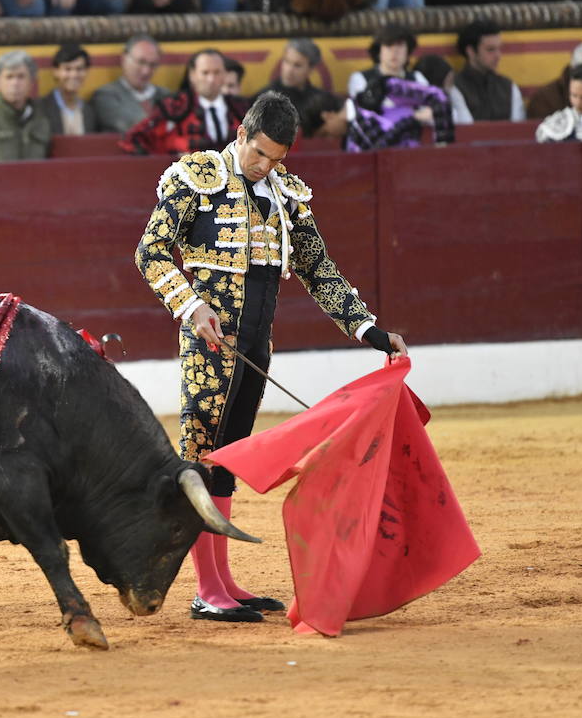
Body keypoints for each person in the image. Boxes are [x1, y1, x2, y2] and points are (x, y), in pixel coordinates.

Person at [136, 92, 407, 623]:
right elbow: (149, 250)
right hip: (209, 343)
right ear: (241, 133)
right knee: (202, 456)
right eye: (260, 154)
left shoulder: (285, 194)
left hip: (255, 348)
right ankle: (206, 588)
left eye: (277, 159)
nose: (266, 166)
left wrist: (368, 328)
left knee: (230, 458)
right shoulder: (195, 178)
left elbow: (317, 267)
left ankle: (224, 582)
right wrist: (191, 307)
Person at [344, 23, 453, 150]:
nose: (394, 52)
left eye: (400, 46)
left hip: (414, 146)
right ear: (379, 50)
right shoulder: (361, 79)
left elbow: (435, 111)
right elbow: (366, 118)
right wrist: (414, 116)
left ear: (408, 51)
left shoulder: (417, 78)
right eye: (389, 46)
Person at [124, 48, 246, 155]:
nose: (211, 79)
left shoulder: (241, 108)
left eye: (217, 72)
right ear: (192, 75)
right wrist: (170, 156)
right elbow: (136, 138)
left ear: (225, 74)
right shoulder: (174, 107)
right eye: (205, 73)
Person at [261, 37, 346, 140]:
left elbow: (348, 108)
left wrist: (340, 119)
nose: (289, 70)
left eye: (297, 65)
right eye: (286, 61)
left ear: (310, 69)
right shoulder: (264, 98)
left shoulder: (321, 98)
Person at [91, 34, 170, 134]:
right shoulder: (105, 95)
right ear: (124, 59)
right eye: (141, 62)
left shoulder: (165, 95)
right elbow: (131, 126)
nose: (146, 71)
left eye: (152, 65)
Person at [454, 18, 524, 124]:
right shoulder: (454, 86)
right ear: (471, 51)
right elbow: (464, 128)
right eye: (490, 49)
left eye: (499, 49)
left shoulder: (508, 86)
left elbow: (518, 127)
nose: (498, 56)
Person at [43, 43, 99, 136]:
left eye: (79, 69)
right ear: (56, 71)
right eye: (67, 69)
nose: (74, 75)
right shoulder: (41, 108)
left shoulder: (90, 111)